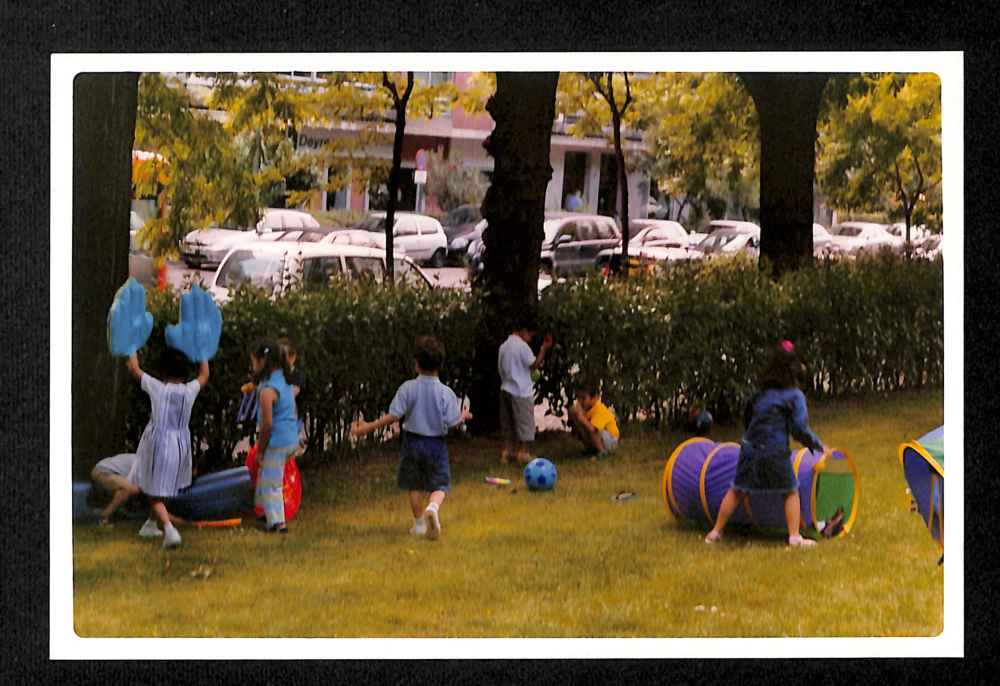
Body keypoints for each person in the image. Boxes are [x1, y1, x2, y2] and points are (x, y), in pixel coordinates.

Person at [704, 340, 825, 548]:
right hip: (774, 451)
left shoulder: (760, 393)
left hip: (749, 447)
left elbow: (748, 417)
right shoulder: (795, 396)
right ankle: (794, 537)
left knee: (737, 489)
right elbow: (799, 429)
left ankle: (715, 533)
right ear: (795, 369)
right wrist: (817, 445)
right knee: (790, 490)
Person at [350, 336, 471, 540]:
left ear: (416, 364)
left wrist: (368, 427)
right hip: (436, 444)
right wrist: (463, 417)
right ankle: (433, 507)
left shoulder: (408, 388)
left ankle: (419, 524)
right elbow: (452, 423)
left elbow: (393, 415)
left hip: (413, 443)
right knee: (440, 484)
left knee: (413, 484)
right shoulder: (446, 393)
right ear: (440, 365)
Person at [125, 347, 209, 549]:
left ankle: (169, 530)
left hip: (159, 445)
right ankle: (151, 524)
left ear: (162, 371)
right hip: (180, 446)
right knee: (163, 486)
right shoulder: (189, 390)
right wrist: (203, 350)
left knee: (153, 492)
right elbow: (205, 375)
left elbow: (134, 368)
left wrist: (131, 346)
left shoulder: (158, 388)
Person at [250, 341, 300, 533]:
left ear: (263, 362)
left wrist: (261, 450)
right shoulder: (285, 383)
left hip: (276, 443)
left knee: (272, 484)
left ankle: (278, 523)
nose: (253, 366)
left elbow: (267, 425)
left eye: (254, 362)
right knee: (266, 476)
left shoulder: (267, 391)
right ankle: (264, 513)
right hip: (290, 440)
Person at [498, 317, 554, 465]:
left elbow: (500, 368)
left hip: (505, 388)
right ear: (523, 331)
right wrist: (544, 349)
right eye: (530, 335)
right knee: (525, 423)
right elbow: (534, 364)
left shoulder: (503, 346)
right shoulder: (522, 347)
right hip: (521, 391)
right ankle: (524, 452)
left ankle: (508, 452)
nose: (530, 339)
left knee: (509, 424)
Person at [567, 377, 620, 457]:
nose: (580, 401)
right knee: (579, 424)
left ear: (594, 398)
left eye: (583, 398)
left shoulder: (599, 410)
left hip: (611, 440)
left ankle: (602, 452)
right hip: (600, 437)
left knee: (592, 429)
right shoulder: (585, 407)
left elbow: (593, 429)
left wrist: (581, 418)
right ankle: (592, 449)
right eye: (578, 398)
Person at [91, 453, 141, 525]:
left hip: (112, 473)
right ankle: (104, 516)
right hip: (102, 471)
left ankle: (117, 511)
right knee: (131, 489)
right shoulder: (143, 463)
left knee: (131, 487)